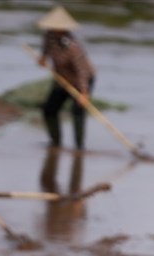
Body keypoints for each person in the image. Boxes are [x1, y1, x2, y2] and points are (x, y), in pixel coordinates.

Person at [36, 5, 96, 150]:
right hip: (62, 78)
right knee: (49, 109)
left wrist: (84, 93)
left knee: (76, 111)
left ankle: (79, 146)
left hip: (82, 79)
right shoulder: (49, 36)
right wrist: (43, 58)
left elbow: (82, 71)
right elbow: (46, 48)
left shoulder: (73, 47)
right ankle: (55, 142)